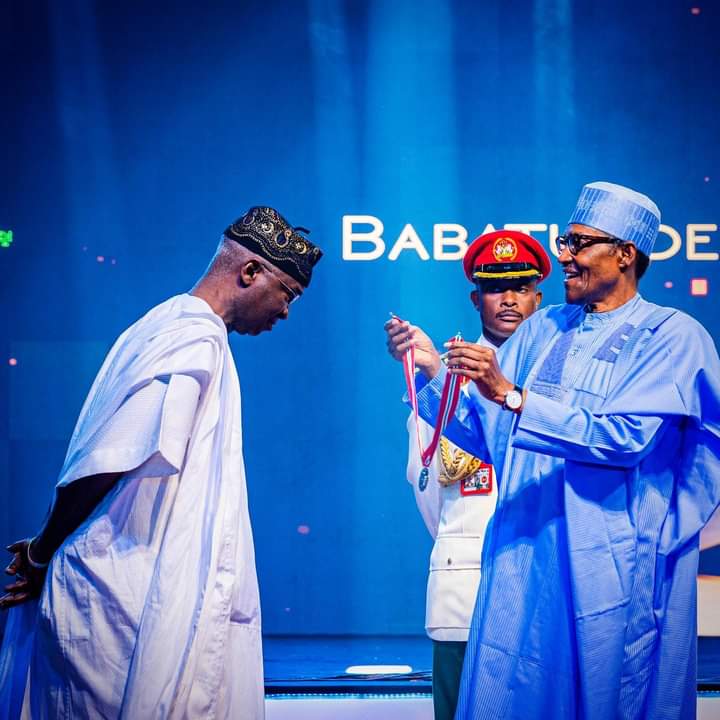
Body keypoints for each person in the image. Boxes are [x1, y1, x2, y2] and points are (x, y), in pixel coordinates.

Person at [386, 182, 720, 719]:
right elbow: (487, 433)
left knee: (613, 696)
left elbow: (624, 438)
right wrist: (430, 372)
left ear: (625, 254)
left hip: (611, 566)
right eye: (565, 241)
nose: (564, 254)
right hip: (527, 562)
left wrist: (512, 395)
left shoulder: (672, 335)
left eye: (578, 243)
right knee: (514, 694)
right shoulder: (544, 328)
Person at [0, 206, 322, 719]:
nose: (285, 312)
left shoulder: (164, 325)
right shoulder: (191, 338)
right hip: (124, 596)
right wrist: (42, 551)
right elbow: (106, 460)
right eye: (288, 293)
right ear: (250, 272)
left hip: (131, 585)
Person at [393, 230, 551, 720]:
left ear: (538, 297)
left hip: (546, 588)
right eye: (495, 287)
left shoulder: (562, 379)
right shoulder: (443, 376)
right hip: (466, 588)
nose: (509, 299)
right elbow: (426, 485)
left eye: (521, 287)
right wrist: (459, 545)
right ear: (475, 298)